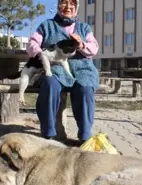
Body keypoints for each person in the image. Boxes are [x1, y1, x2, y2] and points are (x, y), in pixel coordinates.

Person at [26, 0, 99, 144]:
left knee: (85, 88)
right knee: (50, 83)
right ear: (58, 6)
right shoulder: (46, 25)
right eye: (64, 3)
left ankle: (84, 135)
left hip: (82, 69)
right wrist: (40, 53)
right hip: (56, 68)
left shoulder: (84, 28)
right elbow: (31, 44)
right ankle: (48, 133)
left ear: (76, 8)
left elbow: (94, 48)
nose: (68, 7)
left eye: (72, 4)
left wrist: (81, 44)